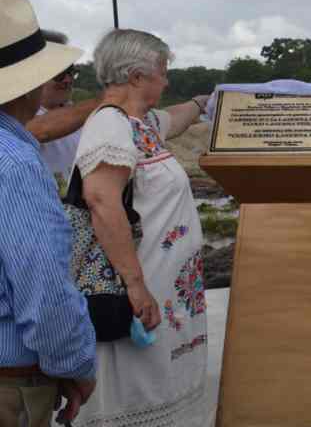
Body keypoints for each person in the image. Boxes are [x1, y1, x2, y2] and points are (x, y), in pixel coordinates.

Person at [72, 29, 211, 427]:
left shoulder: (142, 123)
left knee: (162, 377)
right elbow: (101, 201)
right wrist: (135, 283)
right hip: (141, 288)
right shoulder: (109, 126)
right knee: (136, 386)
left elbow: (178, 118)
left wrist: (204, 102)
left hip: (166, 286)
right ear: (136, 76)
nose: (166, 80)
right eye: (162, 72)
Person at [0, 0, 97, 426]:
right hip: (10, 382)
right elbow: (44, 287)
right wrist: (75, 365)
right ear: (31, 82)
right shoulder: (15, 163)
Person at [24, 30, 101, 183]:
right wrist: (110, 98)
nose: (68, 80)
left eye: (71, 72)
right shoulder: (17, 115)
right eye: (59, 73)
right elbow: (37, 130)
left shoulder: (77, 114)